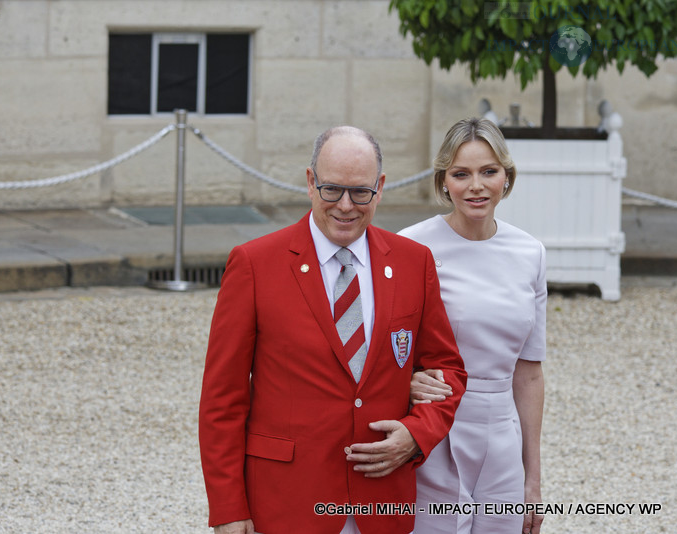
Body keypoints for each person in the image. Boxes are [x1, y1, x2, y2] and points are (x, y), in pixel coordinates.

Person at [199, 126, 467, 534]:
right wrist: (229, 509)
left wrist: (417, 433)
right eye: (331, 190)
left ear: (379, 187)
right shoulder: (255, 265)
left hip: (382, 504)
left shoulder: (414, 263)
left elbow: (447, 369)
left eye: (360, 192)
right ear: (310, 182)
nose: (345, 205)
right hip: (287, 503)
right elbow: (222, 401)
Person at [399, 117, 546, 534]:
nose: (476, 186)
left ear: (506, 177)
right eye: (461, 174)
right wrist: (404, 382)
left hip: (503, 431)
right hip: (435, 425)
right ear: (444, 181)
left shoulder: (530, 252)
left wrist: (532, 478)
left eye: (488, 172)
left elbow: (530, 371)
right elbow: (381, 349)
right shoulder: (412, 246)